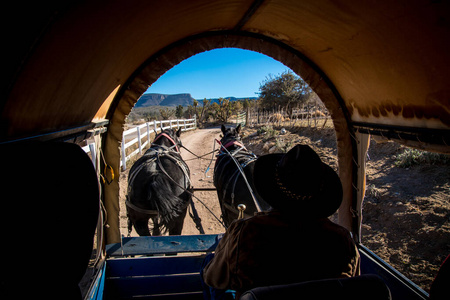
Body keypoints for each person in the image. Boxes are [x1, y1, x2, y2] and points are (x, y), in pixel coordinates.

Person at [202, 144, 360, 299]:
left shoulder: (247, 232)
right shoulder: (341, 239)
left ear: (273, 187)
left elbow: (212, 278)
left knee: (208, 264)